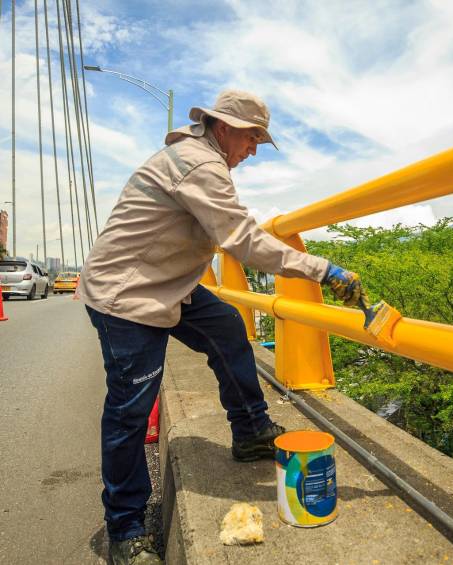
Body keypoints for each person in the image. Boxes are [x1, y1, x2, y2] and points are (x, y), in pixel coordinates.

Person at [80, 90, 363, 565]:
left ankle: (250, 429)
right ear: (224, 128)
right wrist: (322, 269)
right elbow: (244, 240)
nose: (253, 148)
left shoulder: (201, 160)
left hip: (171, 284)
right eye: (252, 137)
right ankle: (125, 528)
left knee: (229, 327)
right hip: (127, 296)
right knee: (131, 409)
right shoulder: (200, 165)